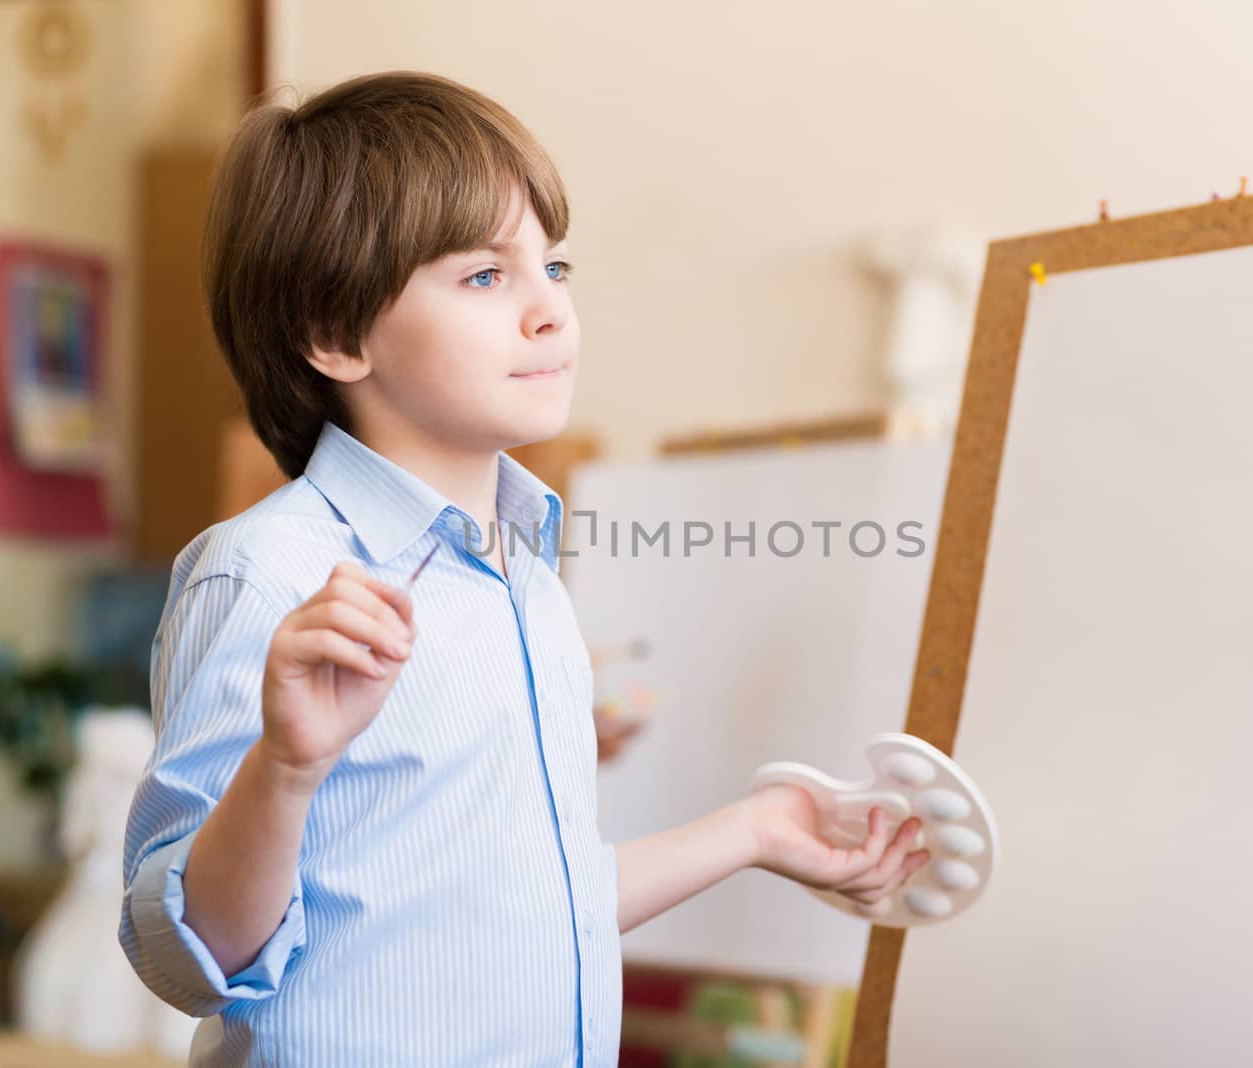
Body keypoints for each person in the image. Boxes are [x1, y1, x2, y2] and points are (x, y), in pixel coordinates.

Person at [119, 70, 929, 1066]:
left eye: (556, 266)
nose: (551, 312)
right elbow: (182, 960)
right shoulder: (268, 574)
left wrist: (759, 831)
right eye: (484, 276)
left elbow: (531, 915)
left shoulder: (527, 587)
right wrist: (283, 770)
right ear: (332, 333)